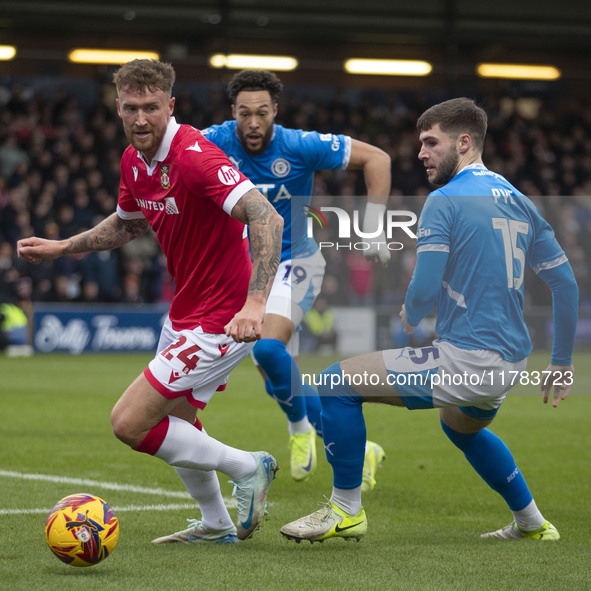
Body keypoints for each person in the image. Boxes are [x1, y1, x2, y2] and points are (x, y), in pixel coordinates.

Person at [280, 97, 578, 543]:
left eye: (430, 142)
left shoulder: (445, 199)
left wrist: (412, 311)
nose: (421, 153)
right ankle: (533, 523)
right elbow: (566, 285)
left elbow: (424, 283)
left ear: (464, 141)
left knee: (333, 385)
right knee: (460, 426)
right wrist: (561, 362)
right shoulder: (521, 202)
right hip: (511, 360)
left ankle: (345, 509)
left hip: (471, 357)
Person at [17, 59, 284, 544]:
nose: (141, 118)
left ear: (170, 106)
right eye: (131, 108)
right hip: (185, 311)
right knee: (178, 423)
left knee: (130, 422)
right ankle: (217, 525)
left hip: (223, 319)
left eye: (151, 108)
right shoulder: (133, 161)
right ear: (117, 107)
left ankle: (248, 467)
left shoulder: (194, 157)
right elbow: (127, 224)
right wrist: (64, 246)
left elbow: (266, 217)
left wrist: (255, 304)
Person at [202, 69, 389, 485]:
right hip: (242, 271)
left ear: (275, 112)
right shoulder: (213, 141)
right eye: (244, 114)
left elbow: (378, 158)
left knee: (268, 351)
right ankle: (359, 451)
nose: (253, 123)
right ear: (233, 112)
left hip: (294, 262)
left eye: (262, 113)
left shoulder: (299, 145)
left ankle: (299, 429)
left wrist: (374, 225)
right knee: (276, 373)